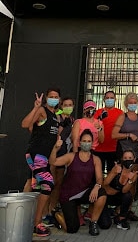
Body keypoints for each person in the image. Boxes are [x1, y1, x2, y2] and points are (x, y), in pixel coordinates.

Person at [50, 129, 107, 236]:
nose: (86, 143)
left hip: (84, 192)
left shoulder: (95, 159)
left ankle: (93, 223)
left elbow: (99, 178)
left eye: (89, 141)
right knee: (72, 229)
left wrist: (96, 187)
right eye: (84, 141)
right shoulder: (71, 156)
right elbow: (53, 162)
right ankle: (57, 214)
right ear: (79, 143)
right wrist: (55, 148)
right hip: (68, 195)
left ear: (92, 143)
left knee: (102, 193)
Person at [21, 88, 60, 237]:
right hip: (36, 155)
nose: (53, 99)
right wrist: (36, 107)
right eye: (51, 96)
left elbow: (39, 131)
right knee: (47, 184)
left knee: (33, 186)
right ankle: (36, 224)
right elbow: (25, 124)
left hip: (44, 157)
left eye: (56, 97)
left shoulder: (55, 117)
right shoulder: (42, 111)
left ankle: (25, 219)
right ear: (46, 98)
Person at [48, 97, 76, 220]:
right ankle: (45, 211)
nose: (68, 107)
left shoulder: (72, 119)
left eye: (70, 105)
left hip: (64, 153)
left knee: (59, 183)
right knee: (50, 183)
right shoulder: (57, 116)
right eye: (66, 105)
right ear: (61, 105)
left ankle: (52, 209)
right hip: (54, 152)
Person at [103, 149, 138, 230]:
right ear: (122, 159)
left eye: (130, 158)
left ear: (134, 159)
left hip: (119, 196)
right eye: (125, 158)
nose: (127, 160)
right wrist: (113, 173)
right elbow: (104, 183)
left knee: (128, 195)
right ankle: (110, 212)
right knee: (105, 224)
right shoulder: (117, 168)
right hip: (107, 196)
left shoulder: (134, 173)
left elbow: (124, 191)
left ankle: (121, 219)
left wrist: (130, 180)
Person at [93, 91, 123, 173]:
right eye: (107, 98)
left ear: (115, 99)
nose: (109, 100)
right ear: (103, 99)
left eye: (111, 98)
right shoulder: (98, 112)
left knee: (112, 175)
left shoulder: (120, 113)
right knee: (98, 174)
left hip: (114, 149)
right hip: (98, 149)